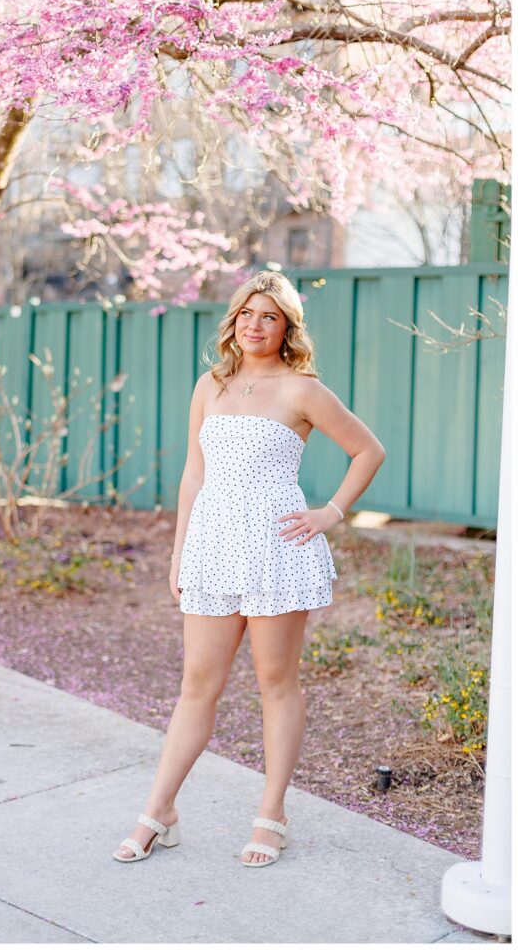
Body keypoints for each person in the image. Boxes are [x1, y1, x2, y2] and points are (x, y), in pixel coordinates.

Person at [113, 269, 386, 867]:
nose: (255, 325)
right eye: (246, 314)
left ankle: (272, 814)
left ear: (287, 327)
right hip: (212, 549)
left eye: (270, 316)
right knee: (196, 687)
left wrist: (331, 513)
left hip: (277, 550)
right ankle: (160, 809)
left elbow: (369, 450)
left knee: (275, 683)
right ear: (233, 321)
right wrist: (180, 550)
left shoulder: (303, 389)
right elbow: (193, 472)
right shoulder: (211, 384)